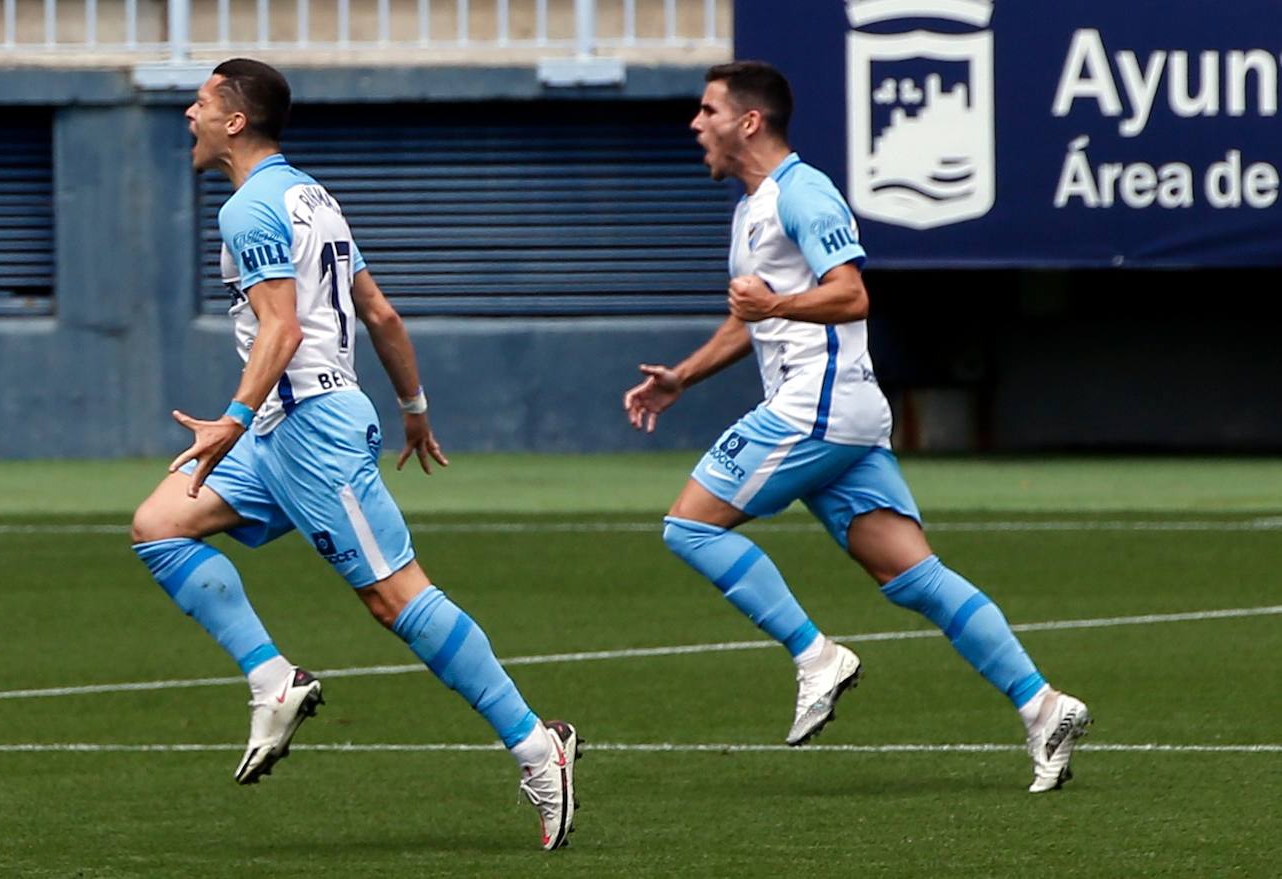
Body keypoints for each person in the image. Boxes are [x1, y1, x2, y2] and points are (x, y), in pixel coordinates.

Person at [129, 58, 580, 848]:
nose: (189, 116)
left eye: (200, 103)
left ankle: (539, 745)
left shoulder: (249, 209)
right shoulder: (313, 194)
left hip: (305, 428)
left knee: (396, 600)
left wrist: (230, 418)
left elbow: (284, 330)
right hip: (281, 427)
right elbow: (379, 311)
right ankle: (273, 678)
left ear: (234, 120)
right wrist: (413, 408)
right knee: (160, 523)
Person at [622, 60, 1090, 793]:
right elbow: (754, 317)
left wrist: (775, 307)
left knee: (691, 526)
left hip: (819, 404)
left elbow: (851, 294)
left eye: (707, 110)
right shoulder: (752, 206)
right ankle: (1044, 706)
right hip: (842, 412)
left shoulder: (804, 193)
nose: (695, 123)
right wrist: (685, 374)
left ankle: (815, 655)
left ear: (748, 121)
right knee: (913, 575)